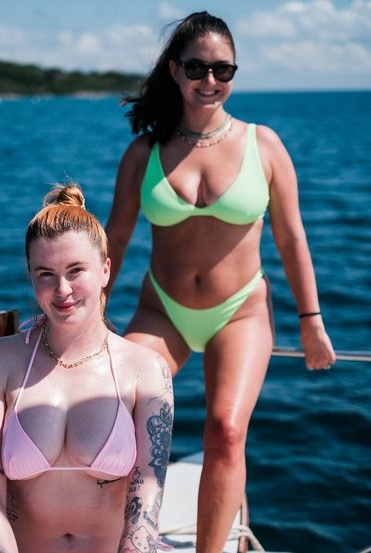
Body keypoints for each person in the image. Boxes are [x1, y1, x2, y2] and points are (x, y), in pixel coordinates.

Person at [105, 11, 336, 553]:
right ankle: (128, 538)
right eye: (197, 68)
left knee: (226, 432)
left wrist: (311, 321)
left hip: (241, 311)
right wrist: (88, 318)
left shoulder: (264, 145)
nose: (210, 80)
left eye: (223, 69)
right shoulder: (144, 153)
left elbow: (292, 239)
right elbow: (114, 239)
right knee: (116, 409)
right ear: (174, 70)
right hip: (163, 310)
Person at [0, 183, 174, 553]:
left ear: (105, 270)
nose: (62, 289)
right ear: (31, 276)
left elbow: (145, 505)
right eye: (45, 273)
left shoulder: (147, 370)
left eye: (76, 270)